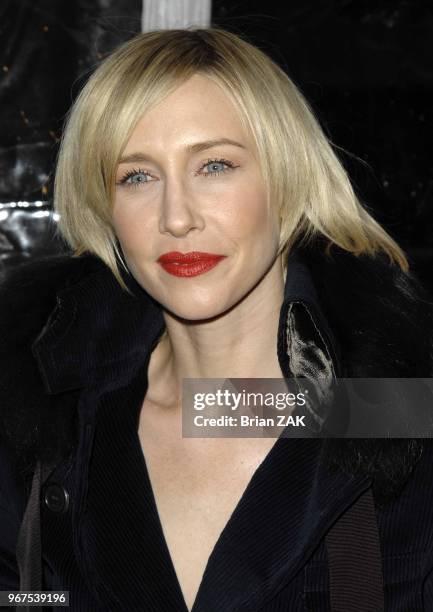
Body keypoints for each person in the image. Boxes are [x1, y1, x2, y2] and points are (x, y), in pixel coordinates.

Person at [0, 26, 433, 612]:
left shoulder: (399, 410)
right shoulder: (43, 413)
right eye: (138, 176)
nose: (176, 217)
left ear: (288, 176)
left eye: (214, 166)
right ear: (106, 208)